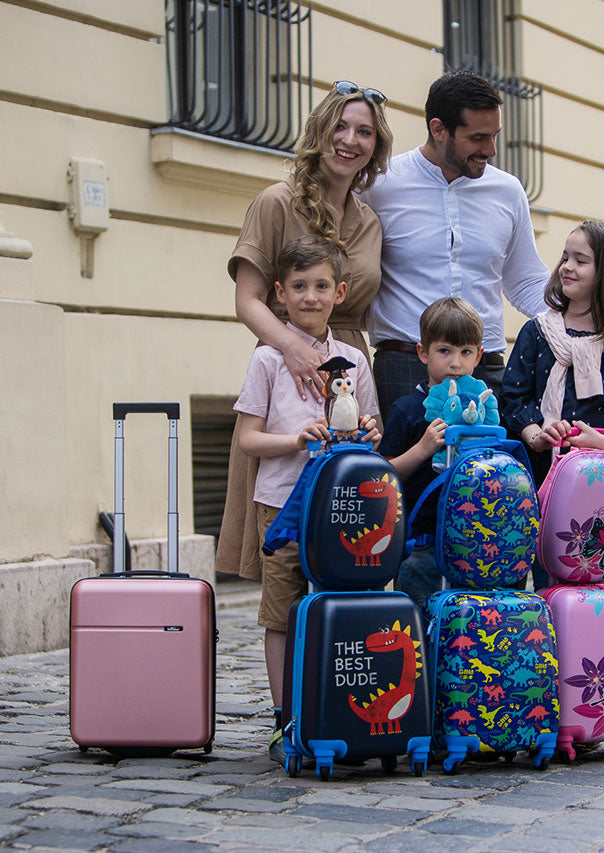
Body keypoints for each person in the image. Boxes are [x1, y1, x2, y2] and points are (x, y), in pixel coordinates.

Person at [216, 82, 393, 610]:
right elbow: (247, 299)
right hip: (284, 356)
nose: (350, 140)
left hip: (347, 359)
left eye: (364, 132)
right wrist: (292, 349)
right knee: (285, 535)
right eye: (340, 126)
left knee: (345, 530)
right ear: (319, 132)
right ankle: (288, 678)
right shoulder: (276, 201)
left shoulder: (370, 220)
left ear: (375, 147)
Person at [232, 236, 380, 762]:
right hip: (282, 505)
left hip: (341, 505)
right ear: (279, 293)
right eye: (299, 287)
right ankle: (285, 720)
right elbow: (248, 439)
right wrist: (296, 440)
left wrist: (366, 430)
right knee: (282, 611)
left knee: (338, 606)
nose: (310, 297)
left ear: (339, 293)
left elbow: (372, 427)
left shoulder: (353, 359)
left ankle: (336, 709)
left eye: (321, 286)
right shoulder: (269, 360)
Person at [361, 70, 550, 420]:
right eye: (478, 138)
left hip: (485, 367)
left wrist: (580, 321)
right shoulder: (380, 184)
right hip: (404, 368)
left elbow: (525, 280)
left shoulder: (508, 191)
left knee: (493, 476)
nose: (490, 150)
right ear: (438, 129)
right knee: (405, 476)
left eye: (494, 136)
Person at [499, 220, 604, 591]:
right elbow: (514, 398)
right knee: (548, 578)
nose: (566, 267)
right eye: (565, 257)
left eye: (581, 260)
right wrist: (537, 432)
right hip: (545, 478)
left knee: (602, 581)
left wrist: (602, 441)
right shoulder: (538, 331)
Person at [378, 297, 485, 609]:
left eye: (465, 352)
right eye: (444, 351)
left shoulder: (483, 411)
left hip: (472, 542)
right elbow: (385, 474)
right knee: (418, 627)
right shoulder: (407, 409)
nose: (455, 363)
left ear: (478, 356)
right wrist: (423, 448)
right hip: (420, 545)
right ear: (423, 353)